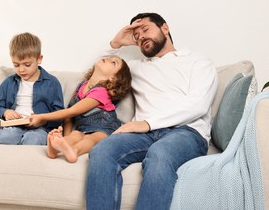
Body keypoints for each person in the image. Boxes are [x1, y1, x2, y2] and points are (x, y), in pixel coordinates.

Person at [86, 13, 218, 210]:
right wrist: (116, 43)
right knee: (102, 150)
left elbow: (198, 103)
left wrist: (147, 123)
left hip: (186, 133)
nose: (141, 37)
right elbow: (98, 71)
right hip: (143, 135)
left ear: (165, 28)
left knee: (160, 154)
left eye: (146, 30)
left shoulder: (197, 61)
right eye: (137, 36)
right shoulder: (135, 68)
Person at [29, 56, 132, 163]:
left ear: (113, 78)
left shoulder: (101, 92)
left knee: (90, 139)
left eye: (113, 62)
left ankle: (75, 151)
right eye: (109, 57)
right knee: (76, 135)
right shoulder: (82, 86)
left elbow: (72, 111)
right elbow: (69, 115)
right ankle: (55, 148)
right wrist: (66, 137)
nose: (107, 58)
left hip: (105, 129)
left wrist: (41, 116)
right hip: (84, 129)